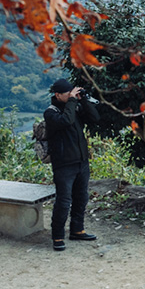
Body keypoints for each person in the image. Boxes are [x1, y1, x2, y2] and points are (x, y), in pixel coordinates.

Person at [44, 78, 99, 251]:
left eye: (72, 92)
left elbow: (95, 118)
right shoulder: (50, 112)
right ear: (57, 95)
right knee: (64, 201)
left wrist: (84, 99)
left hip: (81, 161)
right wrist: (73, 102)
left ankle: (77, 230)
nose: (71, 96)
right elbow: (65, 121)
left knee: (81, 197)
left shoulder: (74, 106)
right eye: (68, 94)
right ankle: (57, 236)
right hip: (64, 164)